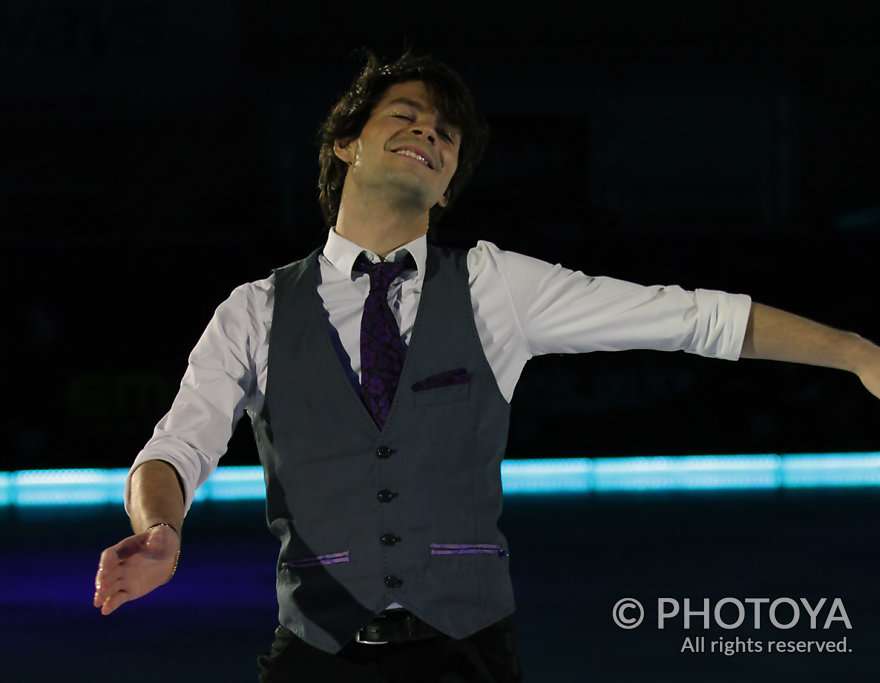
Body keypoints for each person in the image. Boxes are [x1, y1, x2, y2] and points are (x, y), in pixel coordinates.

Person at [93, 52, 880, 682]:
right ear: (345, 143)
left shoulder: (494, 284)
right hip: (317, 651)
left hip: (466, 652)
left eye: (446, 135)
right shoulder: (255, 308)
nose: (428, 135)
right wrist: (159, 527)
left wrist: (857, 352)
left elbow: (688, 316)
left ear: (449, 182)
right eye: (404, 117)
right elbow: (174, 447)